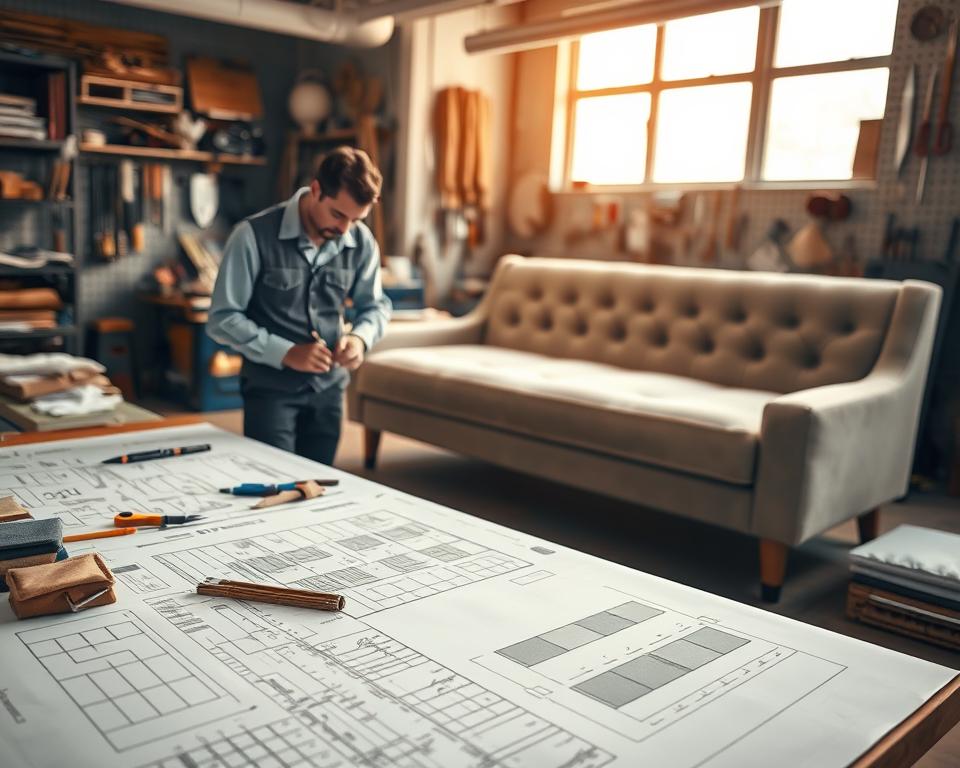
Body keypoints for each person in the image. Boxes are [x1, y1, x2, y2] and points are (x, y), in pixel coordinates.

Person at [207, 146, 392, 465]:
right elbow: (222, 319)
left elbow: (375, 306)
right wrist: (286, 352)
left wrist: (360, 339)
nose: (345, 229)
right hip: (270, 391)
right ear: (316, 190)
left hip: (330, 390)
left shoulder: (361, 241)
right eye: (338, 214)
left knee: (318, 487)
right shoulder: (251, 236)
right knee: (273, 480)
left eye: (356, 219)